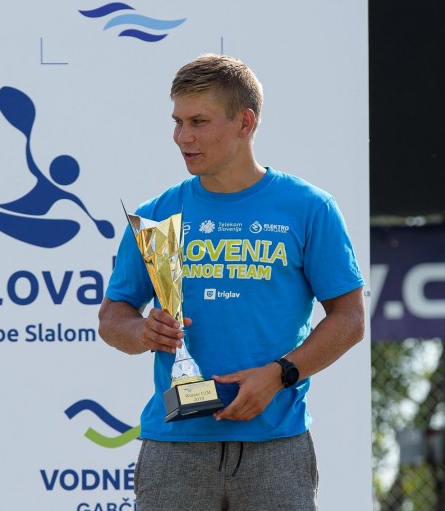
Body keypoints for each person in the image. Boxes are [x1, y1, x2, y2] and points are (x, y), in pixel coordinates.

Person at [98, 54, 366, 511]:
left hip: (277, 444)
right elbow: (112, 317)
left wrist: (281, 375)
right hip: (174, 445)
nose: (183, 137)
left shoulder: (309, 208)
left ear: (245, 122)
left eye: (199, 121)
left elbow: (350, 319)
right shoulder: (157, 215)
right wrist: (142, 332)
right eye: (178, 122)